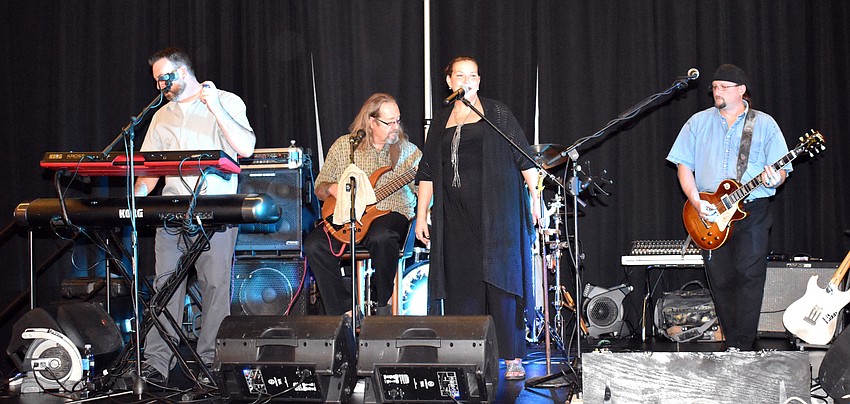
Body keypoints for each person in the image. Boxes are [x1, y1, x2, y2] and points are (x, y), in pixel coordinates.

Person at [133, 47, 256, 384]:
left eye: (164, 78)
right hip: (171, 213)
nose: (160, 85)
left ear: (183, 73)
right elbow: (149, 172)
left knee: (215, 287)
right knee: (165, 287)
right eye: (157, 80)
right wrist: (134, 201)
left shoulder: (228, 101)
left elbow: (245, 148)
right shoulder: (162, 115)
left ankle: (211, 364)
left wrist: (213, 106)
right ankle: (157, 363)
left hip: (214, 210)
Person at [414, 56, 540, 380]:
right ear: (449, 82)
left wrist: (536, 201)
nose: (466, 81)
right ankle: (466, 356)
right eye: (460, 75)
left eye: (472, 75)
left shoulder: (497, 114)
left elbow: (525, 159)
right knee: (462, 286)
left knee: (502, 284)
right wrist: (421, 215)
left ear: (479, 81)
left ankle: (512, 357)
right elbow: (427, 172)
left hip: (497, 214)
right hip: (455, 216)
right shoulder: (440, 122)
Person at [667, 64, 791, 351]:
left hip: (753, 210)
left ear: (741, 90)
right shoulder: (698, 122)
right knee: (720, 280)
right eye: (715, 87)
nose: (717, 91)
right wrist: (696, 201)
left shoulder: (764, 124)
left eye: (724, 87)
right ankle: (732, 343)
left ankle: (743, 347)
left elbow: (782, 171)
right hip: (710, 212)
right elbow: (683, 167)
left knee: (749, 276)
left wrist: (777, 176)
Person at [304, 93, 421, 318]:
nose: (395, 127)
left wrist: (426, 205)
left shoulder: (409, 152)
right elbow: (320, 187)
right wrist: (332, 189)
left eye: (398, 120)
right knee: (313, 245)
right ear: (371, 121)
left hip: (392, 213)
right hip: (348, 219)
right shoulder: (344, 147)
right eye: (389, 122)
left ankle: (381, 303)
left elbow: (426, 189)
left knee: (382, 236)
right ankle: (345, 311)